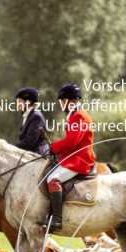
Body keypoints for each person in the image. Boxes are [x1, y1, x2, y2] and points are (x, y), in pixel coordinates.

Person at [45, 82, 97, 230]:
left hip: (80, 160)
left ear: (71, 101)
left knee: (52, 179)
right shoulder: (74, 115)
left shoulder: (79, 116)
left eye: (62, 101)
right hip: (73, 157)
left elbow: (72, 142)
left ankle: (57, 219)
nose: (61, 104)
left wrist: (54, 147)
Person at [14, 87, 49, 155]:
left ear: (28, 102)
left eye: (19, 102)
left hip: (38, 156)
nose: (17, 105)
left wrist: (11, 148)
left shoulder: (36, 117)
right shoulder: (29, 115)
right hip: (30, 154)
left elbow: (29, 142)